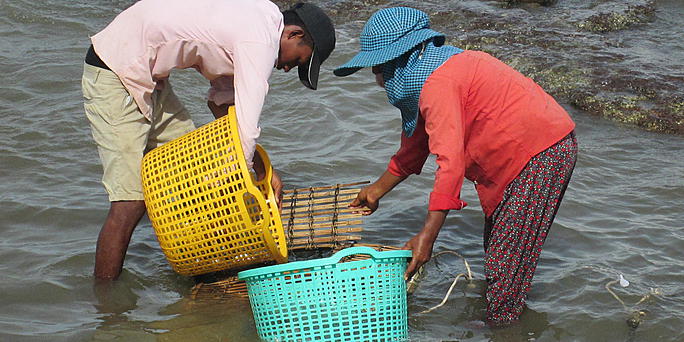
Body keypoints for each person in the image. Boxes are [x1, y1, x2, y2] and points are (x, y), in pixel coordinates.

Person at [334, 7, 577, 324]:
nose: (376, 78)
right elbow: (414, 147)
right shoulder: (430, 73)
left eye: (378, 67)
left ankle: (504, 327)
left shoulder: (439, 84)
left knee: (504, 272)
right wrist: (376, 191)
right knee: (500, 258)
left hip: (540, 154)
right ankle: (502, 316)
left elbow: (450, 166)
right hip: (524, 154)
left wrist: (427, 238)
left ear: (400, 60)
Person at [82, 0, 336, 281]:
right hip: (115, 69)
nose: (287, 69)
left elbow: (224, 105)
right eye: (299, 60)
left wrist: (260, 170)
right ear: (294, 34)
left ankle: (200, 259)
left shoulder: (258, 17)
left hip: (149, 74)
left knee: (197, 172)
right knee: (130, 201)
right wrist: (254, 175)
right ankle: (108, 308)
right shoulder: (260, 40)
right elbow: (246, 126)